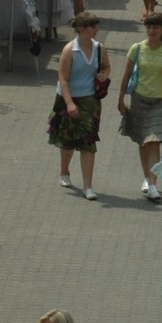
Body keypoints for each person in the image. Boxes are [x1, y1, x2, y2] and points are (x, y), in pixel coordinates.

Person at [48, 11, 110, 201]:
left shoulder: (100, 48)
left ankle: (88, 186)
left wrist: (103, 75)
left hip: (90, 100)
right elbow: (63, 78)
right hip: (69, 99)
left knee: (87, 142)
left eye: (96, 26)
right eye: (93, 27)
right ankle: (64, 171)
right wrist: (69, 103)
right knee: (67, 140)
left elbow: (106, 66)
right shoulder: (69, 50)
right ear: (82, 30)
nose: (96, 30)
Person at [117, 11, 162, 203]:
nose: (152, 31)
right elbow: (125, 75)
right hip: (139, 99)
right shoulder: (136, 48)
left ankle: (153, 185)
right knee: (143, 141)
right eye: (149, 27)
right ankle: (146, 177)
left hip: (159, 101)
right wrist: (120, 99)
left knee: (154, 141)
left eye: (155, 27)